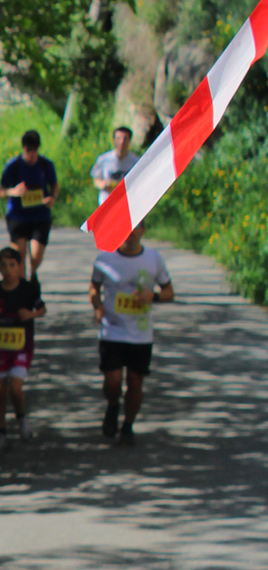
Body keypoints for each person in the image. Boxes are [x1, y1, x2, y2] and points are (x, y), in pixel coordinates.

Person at [90, 222, 174, 442]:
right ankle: (112, 405)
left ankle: (128, 425)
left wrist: (153, 296)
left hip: (141, 334)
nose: (131, 233)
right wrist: (98, 306)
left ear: (143, 230)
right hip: (112, 330)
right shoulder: (105, 258)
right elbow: (93, 288)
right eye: (127, 228)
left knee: (135, 382)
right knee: (113, 380)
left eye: (136, 227)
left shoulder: (153, 259)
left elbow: (169, 292)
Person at [0, 246, 45, 437]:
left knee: (15, 387)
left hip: (22, 346)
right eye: (3, 265)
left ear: (19, 266)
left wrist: (31, 314)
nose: (7, 269)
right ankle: (0, 431)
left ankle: (22, 418)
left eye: (12, 265)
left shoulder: (28, 289)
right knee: (1, 390)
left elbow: (42, 309)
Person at [0, 127, 57, 277]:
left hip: (40, 217)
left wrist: (52, 198)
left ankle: (33, 274)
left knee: (35, 257)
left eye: (34, 150)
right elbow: (1, 191)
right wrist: (13, 192)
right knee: (19, 255)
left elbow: (54, 185)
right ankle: (23, 284)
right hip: (17, 217)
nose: (31, 154)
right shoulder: (13, 166)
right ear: (23, 148)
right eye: (28, 150)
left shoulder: (46, 165)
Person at [91, 123, 139, 204]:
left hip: (127, 202)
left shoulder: (135, 161)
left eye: (125, 139)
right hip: (107, 202)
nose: (121, 142)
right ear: (114, 140)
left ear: (129, 141)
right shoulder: (104, 159)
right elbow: (96, 178)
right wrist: (102, 184)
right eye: (118, 138)